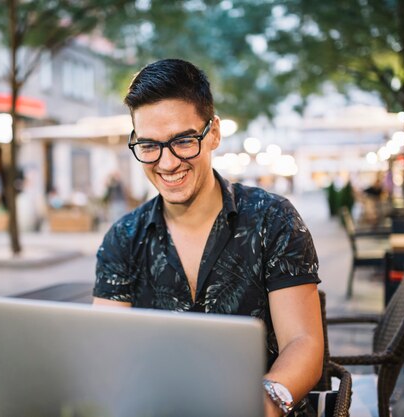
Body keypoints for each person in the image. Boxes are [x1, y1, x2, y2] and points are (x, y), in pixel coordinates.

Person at [93, 59, 323, 417]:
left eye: (183, 141)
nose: (167, 163)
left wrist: (264, 403)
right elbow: (105, 349)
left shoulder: (273, 218)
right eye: (149, 145)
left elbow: (303, 342)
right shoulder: (123, 238)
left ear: (213, 132)